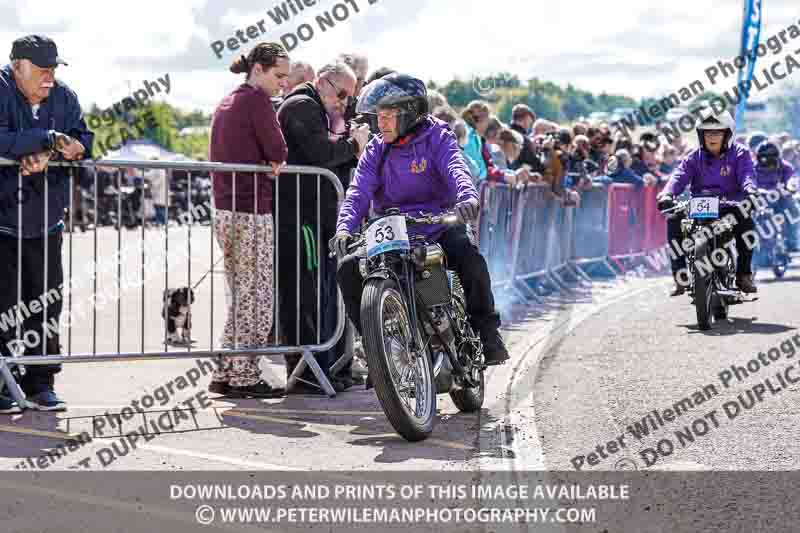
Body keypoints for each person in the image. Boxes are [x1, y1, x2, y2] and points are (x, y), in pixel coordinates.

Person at [331, 73, 510, 366]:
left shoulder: (437, 135)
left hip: (439, 222)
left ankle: (488, 333)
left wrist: (467, 197)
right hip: (392, 228)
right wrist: (344, 229)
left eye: (388, 116)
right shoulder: (376, 146)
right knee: (348, 267)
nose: (381, 123)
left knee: (469, 258)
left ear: (410, 113)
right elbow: (358, 189)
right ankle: (373, 345)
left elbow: (456, 166)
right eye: (378, 116)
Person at [0, 35, 93, 413]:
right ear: (17, 65)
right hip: (3, 223)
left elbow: (84, 138)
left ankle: (41, 382)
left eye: (54, 68)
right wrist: (46, 139)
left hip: (47, 222)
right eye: (42, 69)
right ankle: (2, 383)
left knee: (46, 305)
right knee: (4, 306)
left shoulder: (64, 96)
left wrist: (72, 147)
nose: (49, 76)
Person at [276, 61, 371, 393]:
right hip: (301, 217)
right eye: (341, 94)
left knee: (324, 293)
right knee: (308, 294)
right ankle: (310, 372)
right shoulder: (301, 105)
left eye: (349, 96)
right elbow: (320, 154)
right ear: (322, 82)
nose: (343, 103)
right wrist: (353, 145)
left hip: (316, 216)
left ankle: (328, 366)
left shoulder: (320, 109)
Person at [207, 42, 291, 398]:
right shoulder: (256, 100)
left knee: (241, 294)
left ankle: (226, 370)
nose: (282, 84)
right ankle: (244, 375)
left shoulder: (229, 99)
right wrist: (273, 162)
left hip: (226, 208)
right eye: (279, 75)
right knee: (257, 297)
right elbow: (278, 150)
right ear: (259, 69)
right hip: (250, 209)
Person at [657, 112, 758, 296]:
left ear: (728, 134)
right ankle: (680, 277)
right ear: (700, 135)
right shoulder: (694, 157)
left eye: (717, 132)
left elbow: (747, 175)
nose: (712, 137)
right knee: (673, 218)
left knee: (747, 222)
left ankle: (744, 274)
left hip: (731, 204)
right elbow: (678, 176)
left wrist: (750, 191)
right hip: (699, 204)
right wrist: (666, 194)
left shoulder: (740, 153)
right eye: (707, 132)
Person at [753, 141, 798, 251]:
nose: (767, 160)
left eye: (771, 157)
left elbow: (791, 182)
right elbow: (747, 183)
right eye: (764, 157)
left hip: (781, 198)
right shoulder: (752, 168)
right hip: (760, 199)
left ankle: (792, 241)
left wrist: (789, 188)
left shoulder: (786, 167)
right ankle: (751, 245)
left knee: (793, 210)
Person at [145, 155, 169, 225]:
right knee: (161, 208)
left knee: (159, 208)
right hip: (162, 192)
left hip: (159, 192)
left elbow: (148, 176)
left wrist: (136, 171)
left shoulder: (156, 169)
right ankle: (161, 222)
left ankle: (162, 222)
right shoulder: (162, 169)